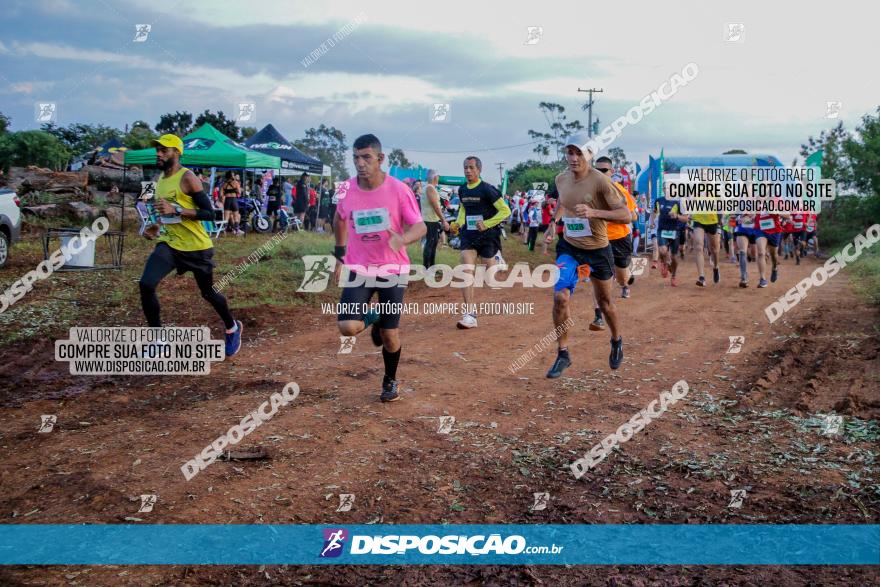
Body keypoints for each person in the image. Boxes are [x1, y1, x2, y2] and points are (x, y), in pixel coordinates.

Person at [334, 134, 426, 402]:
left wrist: (403, 239)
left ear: (380, 159)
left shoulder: (399, 190)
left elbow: (419, 226)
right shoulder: (345, 190)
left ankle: (390, 379)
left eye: (366, 157)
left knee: (389, 334)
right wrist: (340, 255)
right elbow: (338, 219)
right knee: (348, 327)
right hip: (359, 268)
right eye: (355, 158)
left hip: (392, 270)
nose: (360, 164)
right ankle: (372, 317)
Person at [138, 134, 242, 357]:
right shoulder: (159, 179)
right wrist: (156, 225)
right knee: (146, 284)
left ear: (176, 152)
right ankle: (158, 340)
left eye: (164, 150)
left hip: (197, 247)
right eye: (157, 149)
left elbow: (210, 214)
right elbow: (161, 211)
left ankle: (232, 326)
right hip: (171, 244)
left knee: (208, 293)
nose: (158, 153)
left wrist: (177, 210)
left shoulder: (188, 178)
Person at [545, 134, 629, 378]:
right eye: (569, 153)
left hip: (598, 249)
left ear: (589, 155)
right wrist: (554, 223)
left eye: (579, 153)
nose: (573, 158)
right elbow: (564, 200)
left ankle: (616, 340)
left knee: (605, 304)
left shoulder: (601, 182)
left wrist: (594, 212)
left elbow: (626, 215)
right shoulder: (561, 179)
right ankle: (563, 353)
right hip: (569, 247)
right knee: (560, 297)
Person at [449, 156, 511, 329]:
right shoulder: (462, 190)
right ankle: (470, 314)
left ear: (479, 170)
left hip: (488, 236)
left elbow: (505, 211)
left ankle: (496, 259)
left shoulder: (487, 189)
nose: (468, 171)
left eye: (471, 168)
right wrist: (457, 223)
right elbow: (463, 209)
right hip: (469, 236)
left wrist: (487, 223)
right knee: (466, 270)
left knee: (489, 279)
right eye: (465, 168)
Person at [594, 157, 638, 298]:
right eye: (597, 170)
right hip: (600, 237)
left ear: (611, 171)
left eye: (604, 170)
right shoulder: (591, 191)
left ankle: (624, 284)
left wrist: (611, 216)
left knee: (621, 274)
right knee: (602, 272)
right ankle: (599, 310)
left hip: (619, 237)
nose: (600, 173)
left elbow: (633, 217)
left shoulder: (620, 192)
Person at [651, 192, 682, 286]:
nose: (668, 190)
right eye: (666, 188)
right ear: (664, 189)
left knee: (674, 257)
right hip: (662, 230)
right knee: (663, 251)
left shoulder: (678, 202)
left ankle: (674, 276)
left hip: (674, 231)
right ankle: (666, 263)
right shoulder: (659, 200)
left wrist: (677, 216)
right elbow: (654, 212)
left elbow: (685, 218)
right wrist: (652, 222)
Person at [422, 170, 449, 268]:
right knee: (430, 244)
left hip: (431, 220)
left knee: (433, 244)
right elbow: (435, 206)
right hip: (430, 220)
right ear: (435, 177)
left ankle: (431, 266)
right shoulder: (430, 188)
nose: (439, 178)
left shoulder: (430, 188)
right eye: (438, 176)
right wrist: (443, 220)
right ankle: (427, 268)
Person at [689, 208, 721, 286]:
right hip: (698, 220)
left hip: (712, 221)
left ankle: (716, 267)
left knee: (714, 249)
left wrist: (719, 220)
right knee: (699, 247)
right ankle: (701, 277)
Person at [220, 171, 243, 235]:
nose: (234, 176)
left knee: (226, 218)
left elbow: (221, 195)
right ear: (231, 176)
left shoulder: (224, 184)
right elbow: (239, 193)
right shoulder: (236, 183)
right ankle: (236, 230)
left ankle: (224, 231)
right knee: (236, 216)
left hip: (227, 200)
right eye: (233, 175)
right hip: (234, 200)